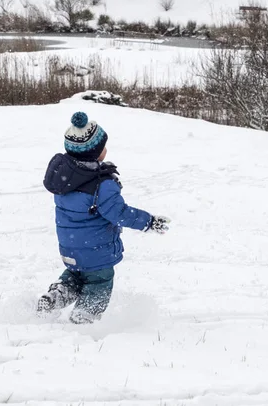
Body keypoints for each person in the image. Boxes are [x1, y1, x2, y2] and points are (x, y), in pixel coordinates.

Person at [38, 111, 170, 324]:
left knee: (75, 276)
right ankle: (85, 315)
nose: (106, 150)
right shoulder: (101, 184)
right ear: (95, 153)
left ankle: (54, 298)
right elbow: (120, 214)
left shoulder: (65, 180)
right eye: (103, 146)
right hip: (96, 251)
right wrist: (148, 222)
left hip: (70, 248)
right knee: (100, 281)